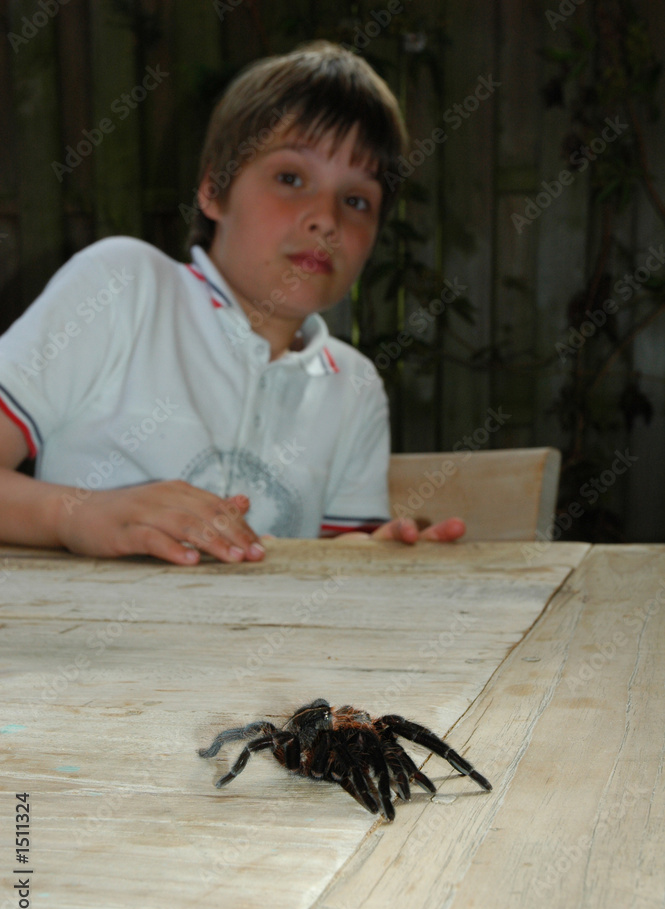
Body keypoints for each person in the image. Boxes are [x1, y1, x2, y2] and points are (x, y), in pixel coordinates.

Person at [0, 41, 464, 565]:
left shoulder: (354, 389)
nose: (326, 220)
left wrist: (377, 556)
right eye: (291, 178)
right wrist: (76, 514)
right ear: (214, 190)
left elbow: (332, 564)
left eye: (356, 201)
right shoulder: (124, 288)